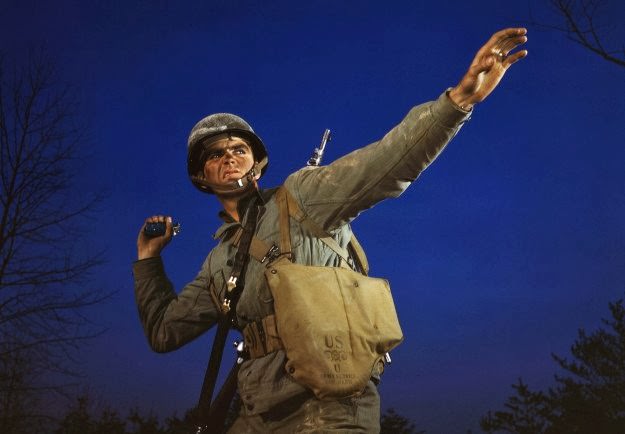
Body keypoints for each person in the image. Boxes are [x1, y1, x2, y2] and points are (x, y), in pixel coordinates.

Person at [133, 28, 528, 432]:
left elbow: (385, 162)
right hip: (258, 414)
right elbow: (165, 332)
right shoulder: (219, 262)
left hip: (330, 406)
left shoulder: (300, 197)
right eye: (215, 154)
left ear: (257, 164)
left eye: (239, 149)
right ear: (202, 176)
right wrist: (148, 260)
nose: (229, 157)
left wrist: (458, 101)